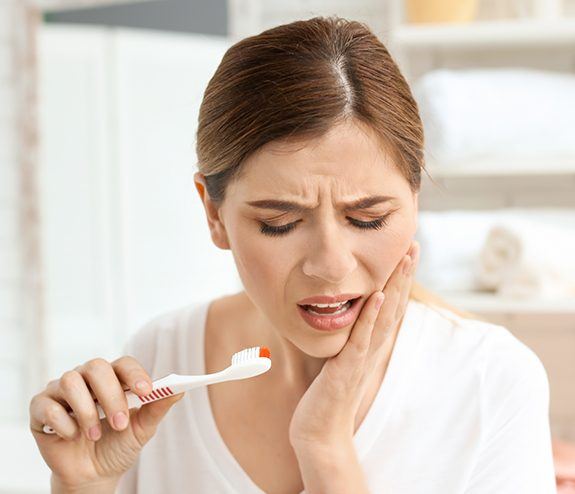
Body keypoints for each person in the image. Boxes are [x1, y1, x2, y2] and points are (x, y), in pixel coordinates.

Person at [29, 16, 556, 493]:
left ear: (414, 200)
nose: (330, 262)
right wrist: (84, 485)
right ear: (214, 214)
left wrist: (325, 449)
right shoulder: (162, 359)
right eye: (278, 223)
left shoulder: (491, 382)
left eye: (368, 218)